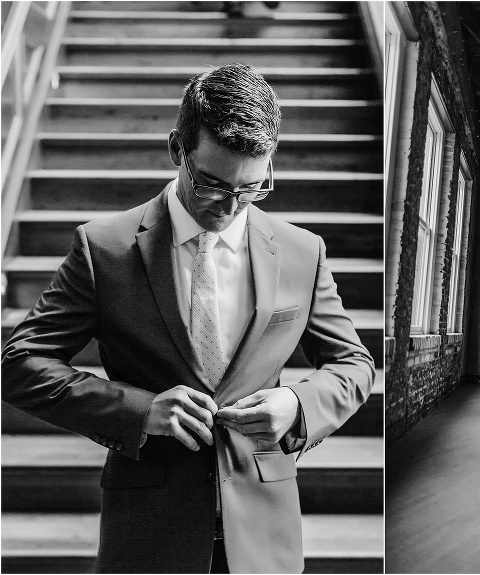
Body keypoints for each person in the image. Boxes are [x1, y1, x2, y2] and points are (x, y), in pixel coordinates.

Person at [1, 63, 375, 573]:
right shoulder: (104, 248)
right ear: (177, 148)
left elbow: (353, 365)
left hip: (265, 533)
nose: (229, 206)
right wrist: (138, 410)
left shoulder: (302, 251)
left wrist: (297, 405)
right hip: (150, 530)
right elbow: (19, 363)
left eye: (251, 189)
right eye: (212, 185)